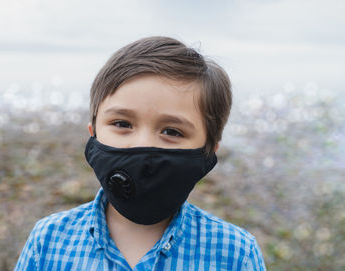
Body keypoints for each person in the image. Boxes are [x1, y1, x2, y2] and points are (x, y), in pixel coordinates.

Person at [14, 36, 266, 270]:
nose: (141, 144)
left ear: (208, 151)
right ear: (93, 133)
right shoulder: (47, 241)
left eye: (172, 131)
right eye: (122, 124)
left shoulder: (235, 254)